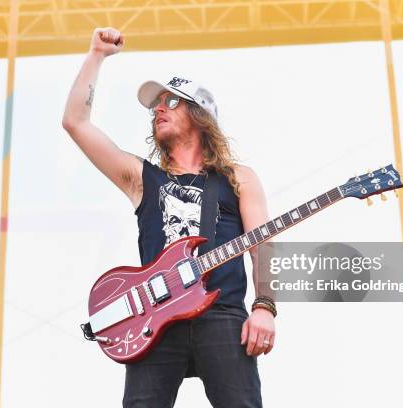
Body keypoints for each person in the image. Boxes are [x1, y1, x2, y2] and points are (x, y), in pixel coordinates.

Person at [62, 27, 276, 408]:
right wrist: (96, 55)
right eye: (155, 104)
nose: (158, 108)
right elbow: (76, 123)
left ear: (199, 115)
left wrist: (264, 307)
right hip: (153, 320)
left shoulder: (238, 178)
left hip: (222, 313)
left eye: (170, 102)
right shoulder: (142, 178)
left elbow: (262, 244)